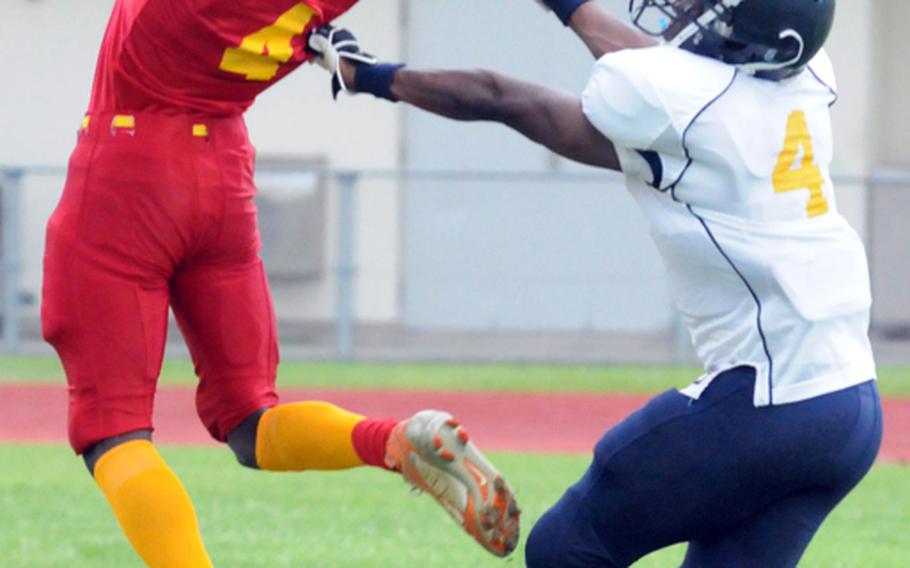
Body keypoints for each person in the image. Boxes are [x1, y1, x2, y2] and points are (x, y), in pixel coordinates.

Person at [308, 0, 883, 565]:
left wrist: (369, 76)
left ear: (754, 38)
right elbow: (662, 79)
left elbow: (503, 98)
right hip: (848, 406)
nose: (695, 10)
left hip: (765, 400)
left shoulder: (681, 102)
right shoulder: (803, 77)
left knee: (567, 548)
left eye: (718, 9)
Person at [41, 1, 520, 565]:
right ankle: (393, 441)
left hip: (129, 167)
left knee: (113, 433)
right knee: (250, 421)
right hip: (221, 175)